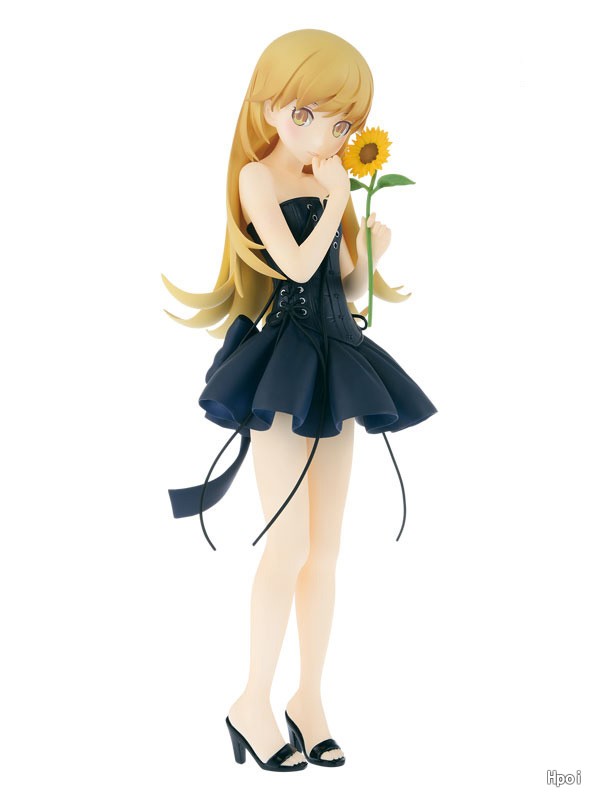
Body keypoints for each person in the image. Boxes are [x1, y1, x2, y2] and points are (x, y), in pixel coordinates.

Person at [162, 28, 437, 772]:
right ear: (271, 105)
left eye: (343, 123)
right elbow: (291, 263)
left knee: (326, 549)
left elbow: (344, 284)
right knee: (285, 544)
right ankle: (251, 702)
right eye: (310, 114)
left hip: (338, 358)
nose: (326, 134)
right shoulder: (260, 179)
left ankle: (308, 699)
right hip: (284, 365)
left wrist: (369, 248)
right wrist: (336, 194)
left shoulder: (327, 177)